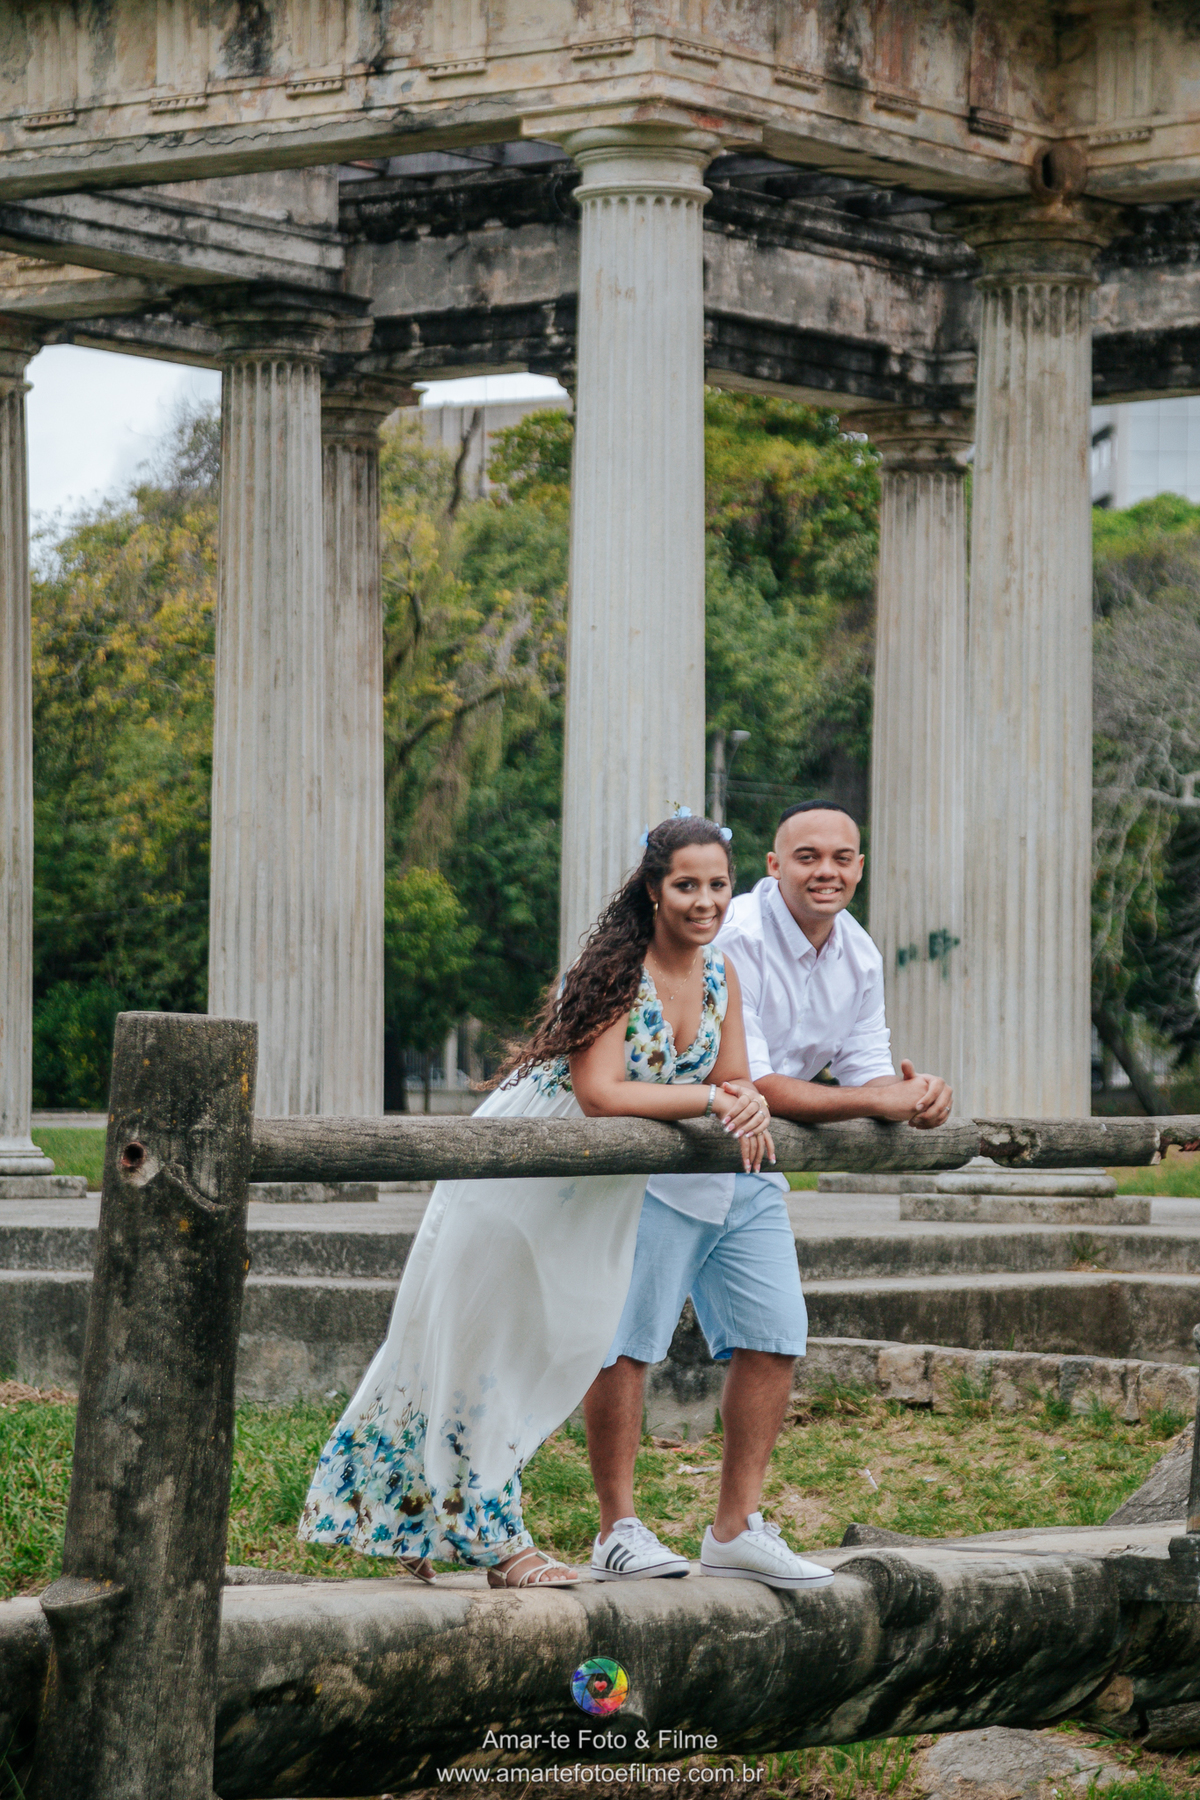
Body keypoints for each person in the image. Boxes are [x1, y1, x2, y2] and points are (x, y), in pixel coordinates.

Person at [297, 814, 774, 1588]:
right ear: (653, 889)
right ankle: (497, 1541)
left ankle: (413, 1525)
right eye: (687, 884)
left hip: (597, 1197)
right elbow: (598, 1092)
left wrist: (744, 1100)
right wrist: (714, 1099)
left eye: (718, 884)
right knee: (489, 1351)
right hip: (527, 1174)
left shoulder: (722, 976)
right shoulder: (618, 970)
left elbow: (735, 1075)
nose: (705, 900)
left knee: (564, 1343)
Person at [583, 800, 954, 1589]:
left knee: (776, 1336)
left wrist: (914, 1097)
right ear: (774, 867)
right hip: (669, 1164)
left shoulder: (857, 953)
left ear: (859, 866)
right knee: (628, 1343)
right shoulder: (733, 935)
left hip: (749, 1167)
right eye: (808, 857)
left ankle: (734, 1529)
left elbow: (863, 1071)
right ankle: (616, 1527)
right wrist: (870, 1100)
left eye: (844, 858)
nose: (828, 871)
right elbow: (750, 1080)